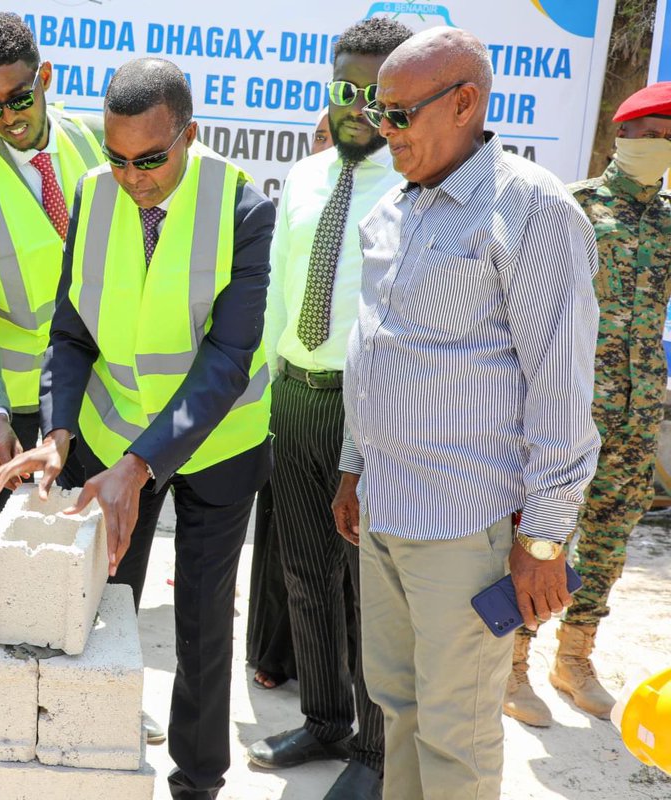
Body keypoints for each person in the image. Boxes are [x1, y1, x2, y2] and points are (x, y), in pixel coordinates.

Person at [0, 57, 276, 800]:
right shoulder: (93, 196)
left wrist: (143, 466)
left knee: (203, 624)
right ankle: (94, 763)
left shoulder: (242, 208)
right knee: (102, 600)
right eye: (117, 158)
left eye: (150, 159)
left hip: (217, 446)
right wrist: (58, 436)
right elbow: (73, 332)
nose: (132, 177)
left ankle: (197, 782)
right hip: (113, 441)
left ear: (190, 135)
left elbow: (229, 359)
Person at [331, 27, 600, 798]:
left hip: (464, 526)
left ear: (465, 102)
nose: (383, 132)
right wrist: (355, 468)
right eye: (377, 113)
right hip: (384, 509)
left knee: (458, 733)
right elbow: (374, 350)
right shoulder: (397, 207)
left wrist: (544, 543)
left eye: (398, 115)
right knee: (400, 706)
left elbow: (559, 389)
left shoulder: (531, 210)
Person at [247, 18, 412, 800]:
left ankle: (376, 753)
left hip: (366, 410)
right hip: (294, 395)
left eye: (375, 95)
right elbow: (280, 290)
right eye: (345, 89)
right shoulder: (308, 177)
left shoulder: (417, 192)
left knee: (366, 584)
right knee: (304, 569)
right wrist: (262, 396)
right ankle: (323, 719)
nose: (357, 108)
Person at [505, 83, 671, 728]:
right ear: (621, 136)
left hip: (637, 412)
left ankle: (574, 658)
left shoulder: (667, 220)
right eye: (649, 132)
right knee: (545, 540)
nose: (658, 146)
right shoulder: (569, 207)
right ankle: (513, 663)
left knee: (607, 541)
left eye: (669, 137)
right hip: (569, 413)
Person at [0, 12, 105, 535]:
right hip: (17, 408)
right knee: (17, 569)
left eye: (19, 98)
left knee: (94, 562)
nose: (7, 117)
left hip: (102, 398)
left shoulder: (98, 142)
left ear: (45, 78)